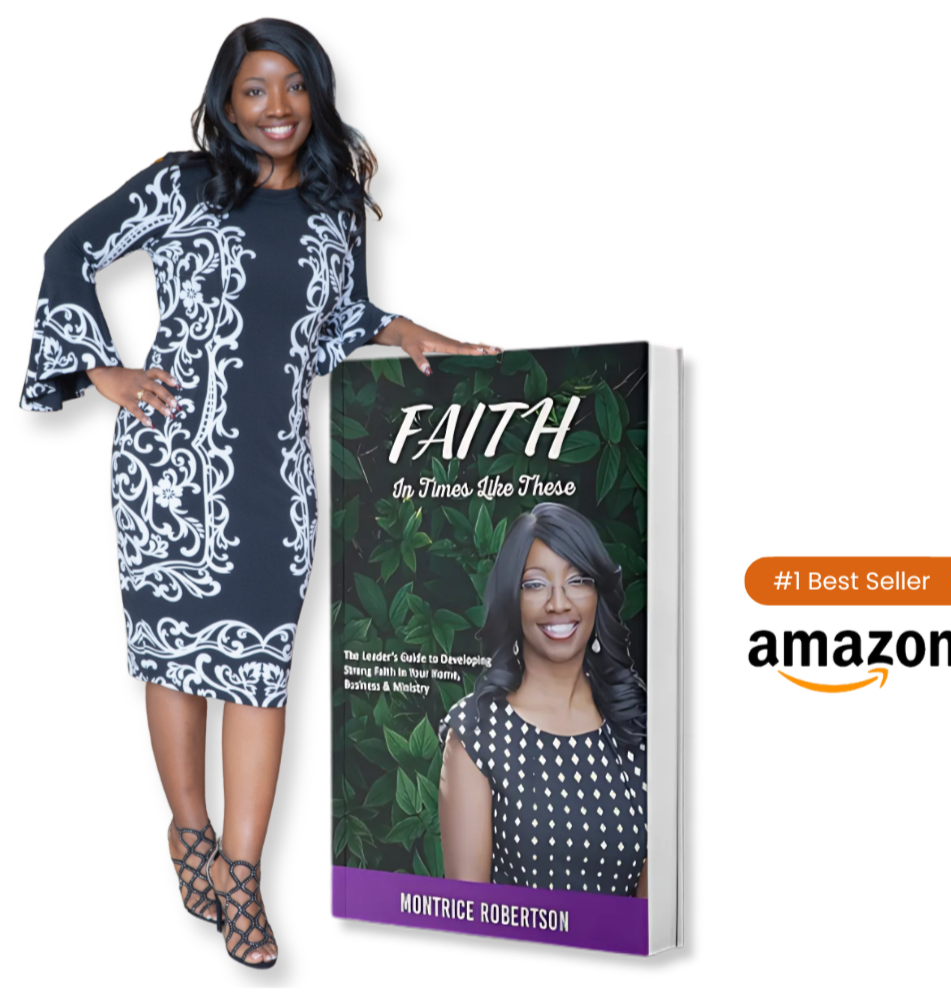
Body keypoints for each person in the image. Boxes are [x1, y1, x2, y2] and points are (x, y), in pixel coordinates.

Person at [17, 16, 504, 970]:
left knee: (258, 670)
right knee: (174, 662)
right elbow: (67, 255)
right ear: (226, 104)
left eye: (291, 86)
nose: (275, 107)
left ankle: (243, 871)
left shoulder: (337, 204)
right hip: (167, 469)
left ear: (315, 93)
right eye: (254, 90)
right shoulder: (182, 184)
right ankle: (189, 831)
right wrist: (102, 371)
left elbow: (336, 321)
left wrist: (403, 329)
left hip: (273, 476)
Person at [438, 502, 648, 897]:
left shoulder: (639, 723)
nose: (559, 602)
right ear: (511, 599)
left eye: (579, 580)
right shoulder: (475, 733)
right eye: (535, 584)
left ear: (597, 594)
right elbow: (469, 911)